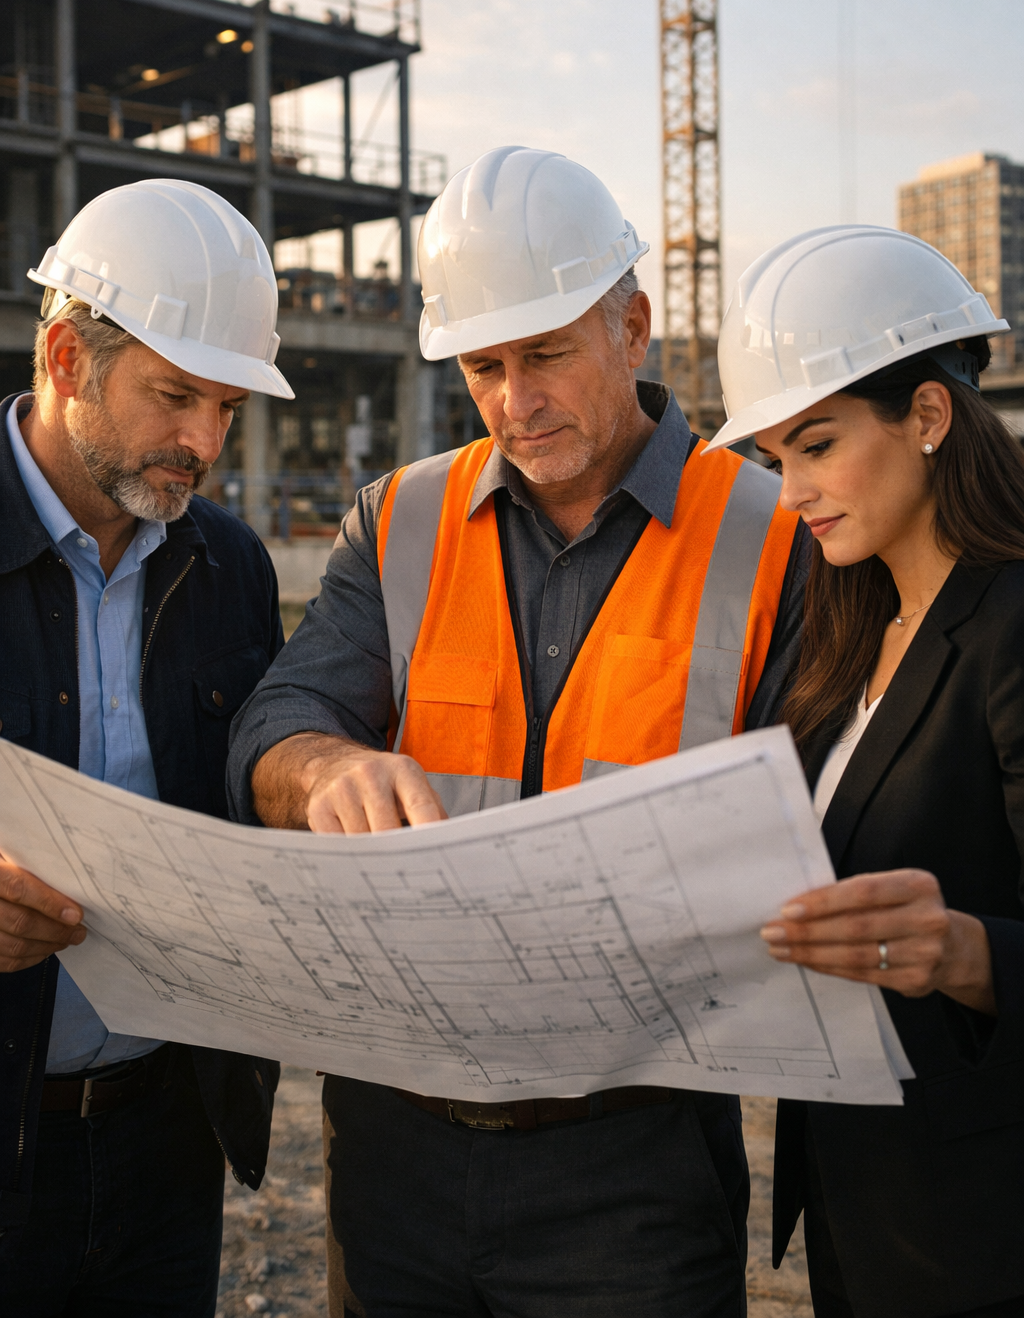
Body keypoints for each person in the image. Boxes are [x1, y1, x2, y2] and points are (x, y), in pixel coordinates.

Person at [227, 145, 809, 1317]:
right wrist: (323, 767)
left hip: (631, 1163)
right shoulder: (396, 521)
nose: (513, 400)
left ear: (632, 327)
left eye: (545, 354)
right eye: (484, 366)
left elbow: (830, 816)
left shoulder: (773, 533)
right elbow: (277, 722)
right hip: (395, 1148)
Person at [705, 225, 1024, 1318]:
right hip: (865, 1207)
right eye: (776, 459)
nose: (790, 491)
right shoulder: (847, 636)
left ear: (928, 417)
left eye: (818, 445)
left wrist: (962, 950)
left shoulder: (1012, 627)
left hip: (984, 1234)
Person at [0, 179, 295, 1317]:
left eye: (228, 407)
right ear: (68, 358)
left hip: (164, 1149)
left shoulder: (228, 564)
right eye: (175, 395)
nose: (204, 442)